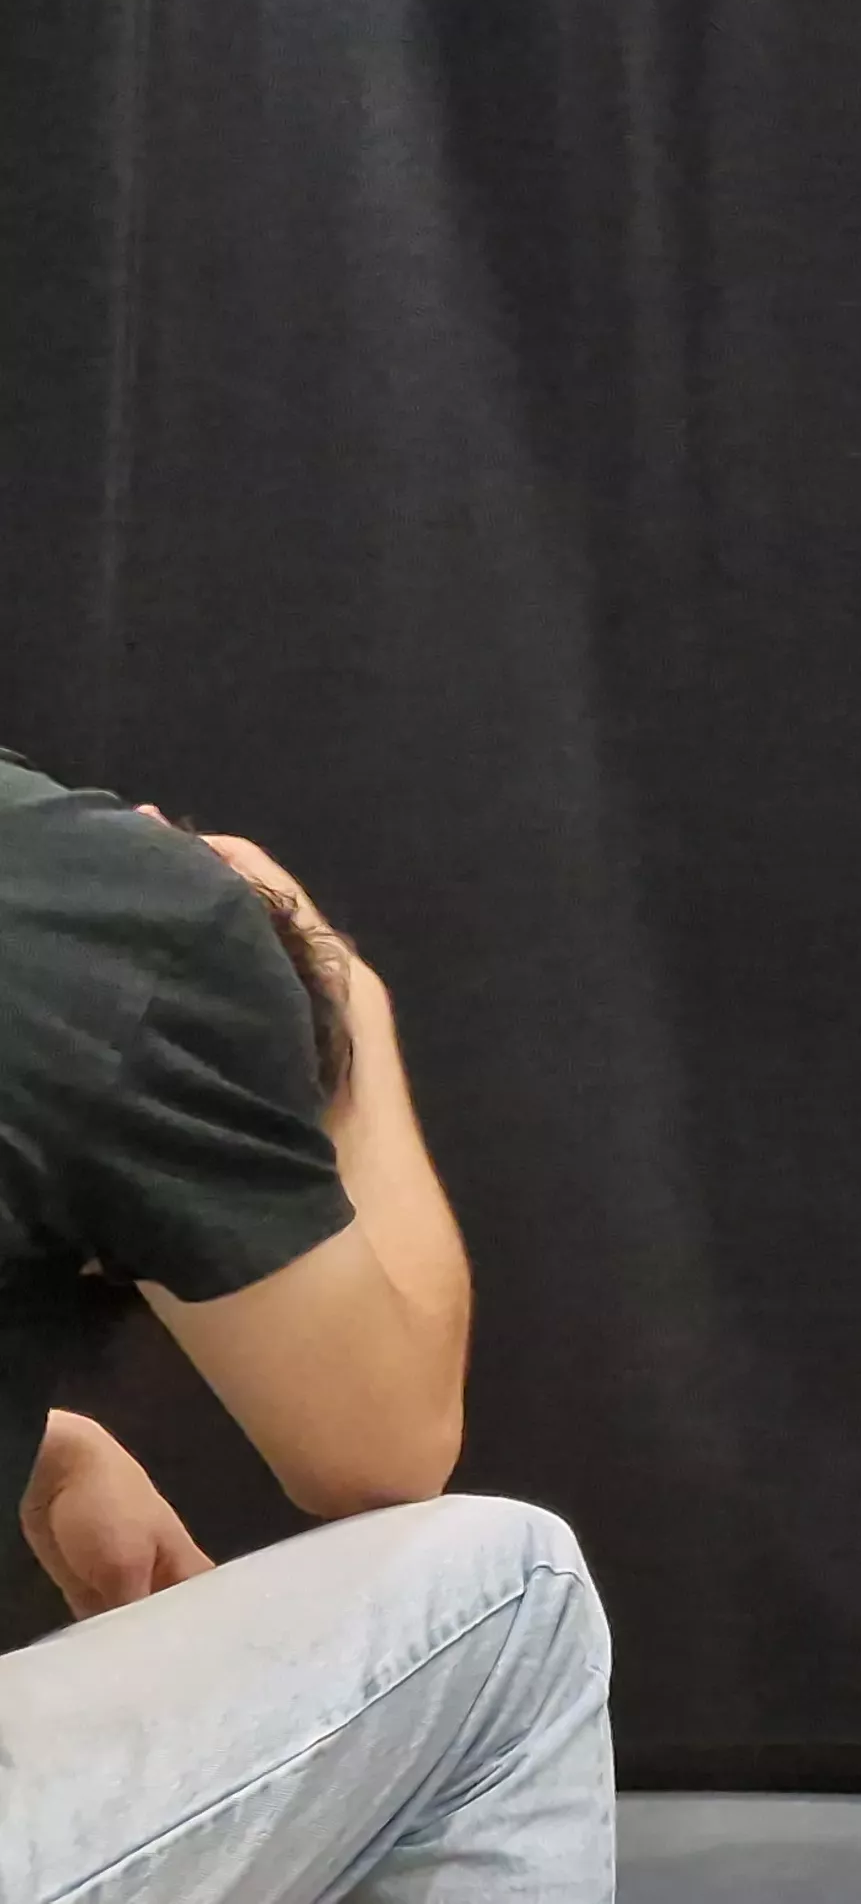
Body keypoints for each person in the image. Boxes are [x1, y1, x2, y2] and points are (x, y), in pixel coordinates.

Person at [0, 749, 614, 1902]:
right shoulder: (98, 902)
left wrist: (50, 1441)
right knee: (509, 1590)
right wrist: (345, 998)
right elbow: (380, 1450)